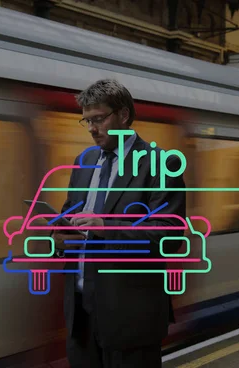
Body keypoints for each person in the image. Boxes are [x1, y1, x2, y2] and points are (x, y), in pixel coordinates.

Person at [51, 79, 186, 368]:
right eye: (86, 121)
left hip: (131, 319)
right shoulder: (84, 162)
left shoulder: (160, 164)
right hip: (81, 317)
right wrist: (58, 240)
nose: (91, 129)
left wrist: (104, 227)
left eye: (98, 119)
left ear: (123, 116)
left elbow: (169, 234)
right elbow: (68, 216)